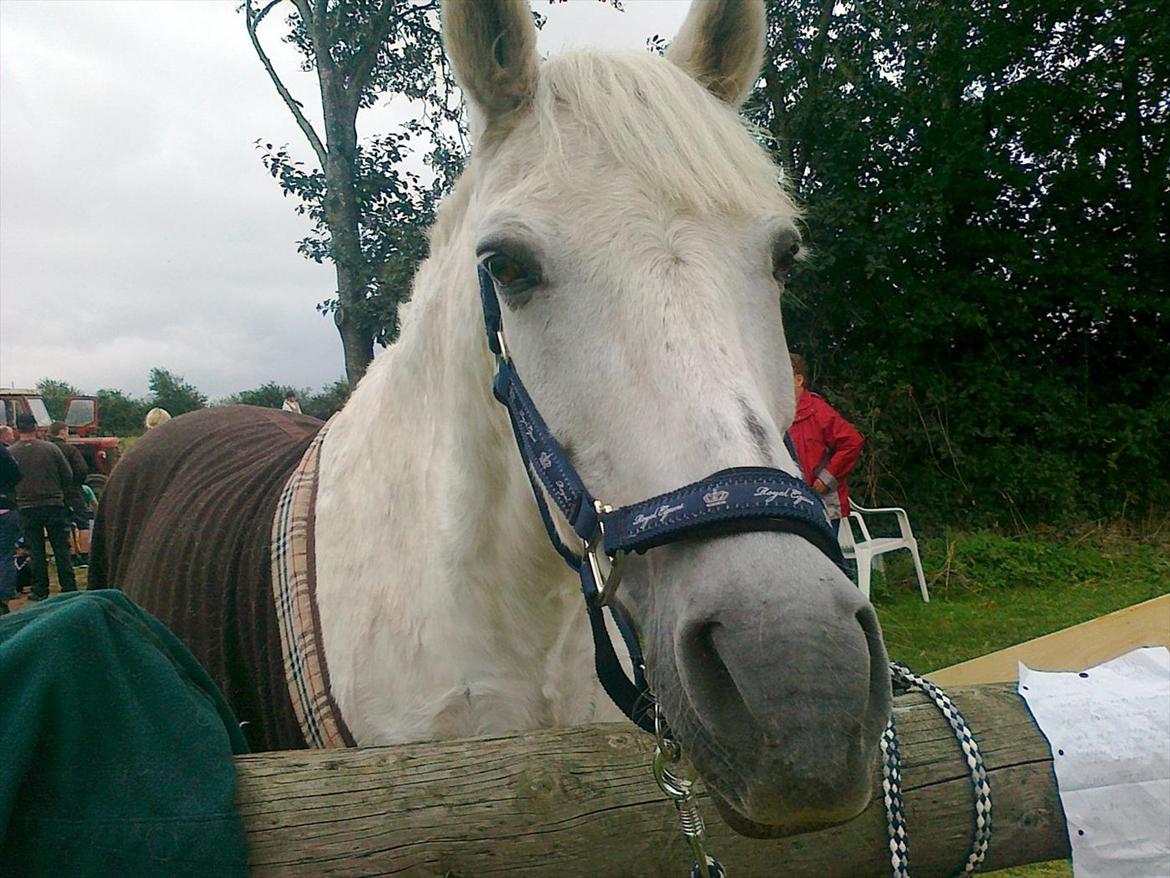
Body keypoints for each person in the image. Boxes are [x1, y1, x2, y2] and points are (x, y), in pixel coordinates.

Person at [787, 354, 864, 523]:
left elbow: (852, 442)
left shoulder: (818, 410)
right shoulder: (777, 414)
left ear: (798, 380)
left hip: (824, 504)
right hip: (790, 503)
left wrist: (825, 479)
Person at [8, 413, 77, 600]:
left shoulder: (11, 453)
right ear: (36, 427)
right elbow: (67, 475)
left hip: (26, 507)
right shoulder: (51, 449)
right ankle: (69, 587)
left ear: (16, 429)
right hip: (53, 503)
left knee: (36, 549)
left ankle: (40, 590)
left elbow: (7, 482)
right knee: (61, 548)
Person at [48, 422, 89, 565]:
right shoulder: (70, 450)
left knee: (65, 524)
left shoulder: (46, 449)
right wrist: (77, 483)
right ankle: (85, 555)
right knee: (82, 522)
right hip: (72, 490)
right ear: (62, 432)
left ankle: (71, 555)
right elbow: (82, 470)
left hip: (53, 492)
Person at [0, 441, 21, 615]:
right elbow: (17, 474)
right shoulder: (3, 451)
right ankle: (4, 596)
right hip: (4, 505)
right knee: (6, 553)